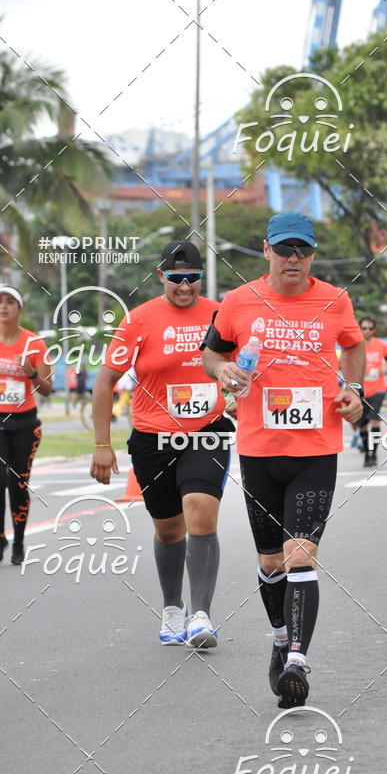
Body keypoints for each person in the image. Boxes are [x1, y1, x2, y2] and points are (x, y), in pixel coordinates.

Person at [202, 212, 365, 708]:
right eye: (285, 249)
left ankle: (297, 659)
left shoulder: (335, 301)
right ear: (266, 249)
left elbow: (353, 347)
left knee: (300, 555)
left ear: (312, 255)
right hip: (257, 449)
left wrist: (355, 390)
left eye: (304, 251)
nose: (294, 259)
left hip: (316, 448)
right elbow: (209, 354)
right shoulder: (237, 301)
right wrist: (224, 368)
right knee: (270, 561)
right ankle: (278, 637)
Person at [90, 240, 234, 646]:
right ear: (161, 276)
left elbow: (245, 366)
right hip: (153, 437)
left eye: (192, 279)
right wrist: (102, 444)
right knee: (169, 529)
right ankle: (173, 608)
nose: (185, 287)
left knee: (201, 511)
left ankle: (202, 615)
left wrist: (240, 397)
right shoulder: (139, 320)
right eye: (176, 279)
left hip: (207, 431)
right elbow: (104, 382)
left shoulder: (221, 315)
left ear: (201, 279)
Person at [0, 286, 52, 564]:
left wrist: (31, 373)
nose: (3, 306)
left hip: (24, 422)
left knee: (18, 484)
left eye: (10, 301)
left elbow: (46, 389)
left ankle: (19, 541)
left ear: (19, 309)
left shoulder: (34, 344)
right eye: (0, 301)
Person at [356, 316, 387, 467]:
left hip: (378, 388)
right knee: (362, 425)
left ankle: (374, 454)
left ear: (374, 330)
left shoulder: (381, 345)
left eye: (370, 328)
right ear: (360, 329)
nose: (367, 331)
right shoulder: (355, 345)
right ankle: (366, 451)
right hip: (361, 389)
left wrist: (385, 367)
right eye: (364, 328)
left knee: (374, 420)